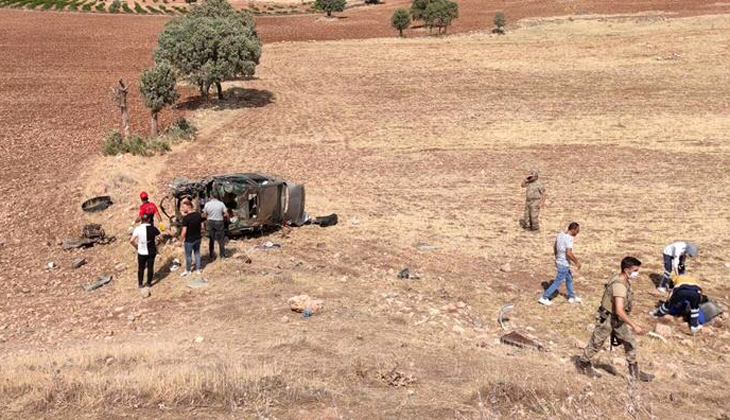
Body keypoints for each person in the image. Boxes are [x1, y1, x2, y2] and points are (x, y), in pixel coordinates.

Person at [577, 257, 654, 382]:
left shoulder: (621, 278)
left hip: (616, 319)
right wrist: (634, 326)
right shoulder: (619, 285)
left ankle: (634, 372)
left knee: (630, 342)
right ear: (626, 269)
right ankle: (583, 364)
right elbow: (619, 309)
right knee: (596, 343)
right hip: (608, 319)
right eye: (635, 270)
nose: (637, 273)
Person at [539, 222, 581, 305]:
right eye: (577, 231)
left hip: (560, 262)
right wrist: (577, 262)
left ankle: (571, 297)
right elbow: (569, 253)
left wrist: (556, 257)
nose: (577, 233)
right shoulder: (569, 239)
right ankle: (544, 297)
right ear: (573, 230)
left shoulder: (560, 235)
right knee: (557, 282)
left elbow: (554, 246)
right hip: (564, 264)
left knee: (569, 279)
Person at [131, 213, 160, 289]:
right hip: (151, 251)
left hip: (141, 251)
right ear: (149, 220)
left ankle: (140, 284)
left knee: (141, 268)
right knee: (150, 267)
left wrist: (136, 246)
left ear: (141, 220)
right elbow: (159, 237)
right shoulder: (153, 228)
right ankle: (149, 283)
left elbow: (131, 240)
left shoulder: (137, 228)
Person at [180, 201, 204, 277]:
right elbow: (202, 226)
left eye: (184, 207)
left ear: (188, 206)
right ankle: (198, 270)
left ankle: (188, 270)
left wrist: (180, 240)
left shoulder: (186, 218)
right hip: (198, 238)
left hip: (189, 240)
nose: (182, 209)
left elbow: (184, 232)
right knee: (197, 253)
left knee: (188, 256)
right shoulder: (198, 215)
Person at [202, 192, 227, 259]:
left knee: (211, 239)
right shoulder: (221, 204)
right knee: (221, 240)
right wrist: (221, 215)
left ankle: (211, 255)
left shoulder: (207, 204)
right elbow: (226, 214)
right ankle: (222, 255)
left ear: (211, 197)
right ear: (217, 197)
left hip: (210, 222)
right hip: (219, 222)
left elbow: (204, 215)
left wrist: (208, 217)